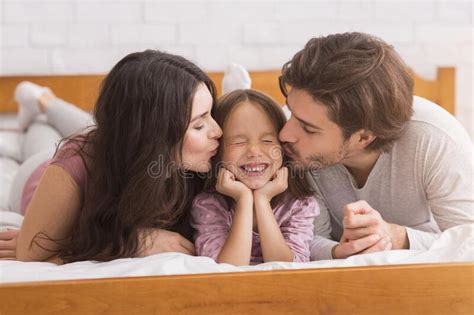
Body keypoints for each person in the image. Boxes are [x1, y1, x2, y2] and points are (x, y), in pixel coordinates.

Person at [0, 50, 223, 263]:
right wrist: (131, 243)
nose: (218, 131)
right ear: (155, 136)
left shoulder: (188, 156)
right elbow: (30, 254)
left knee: (99, 130)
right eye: (199, 125)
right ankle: (38, 111)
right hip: (35, 175)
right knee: (41, 134)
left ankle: (45, 101)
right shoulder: (72, 166)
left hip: (115, 148)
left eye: (212, 114)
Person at [278, 32, 474, 260]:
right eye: (290, 110)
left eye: (309, 129)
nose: (284, 134)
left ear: (364, 137)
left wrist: (398, 237)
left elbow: (468, 240)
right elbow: (304, 238)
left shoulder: (434, 138)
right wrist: (336, 251)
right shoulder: (295, 145)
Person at [191, 89, 319, 265]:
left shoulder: (298, 204)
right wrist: (244, 199)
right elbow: (227, 271)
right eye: (238, 142)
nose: (254, 151)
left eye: (267, 141)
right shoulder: (209, 205)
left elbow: (287, 268)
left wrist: (262, 200)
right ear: (217, 151)